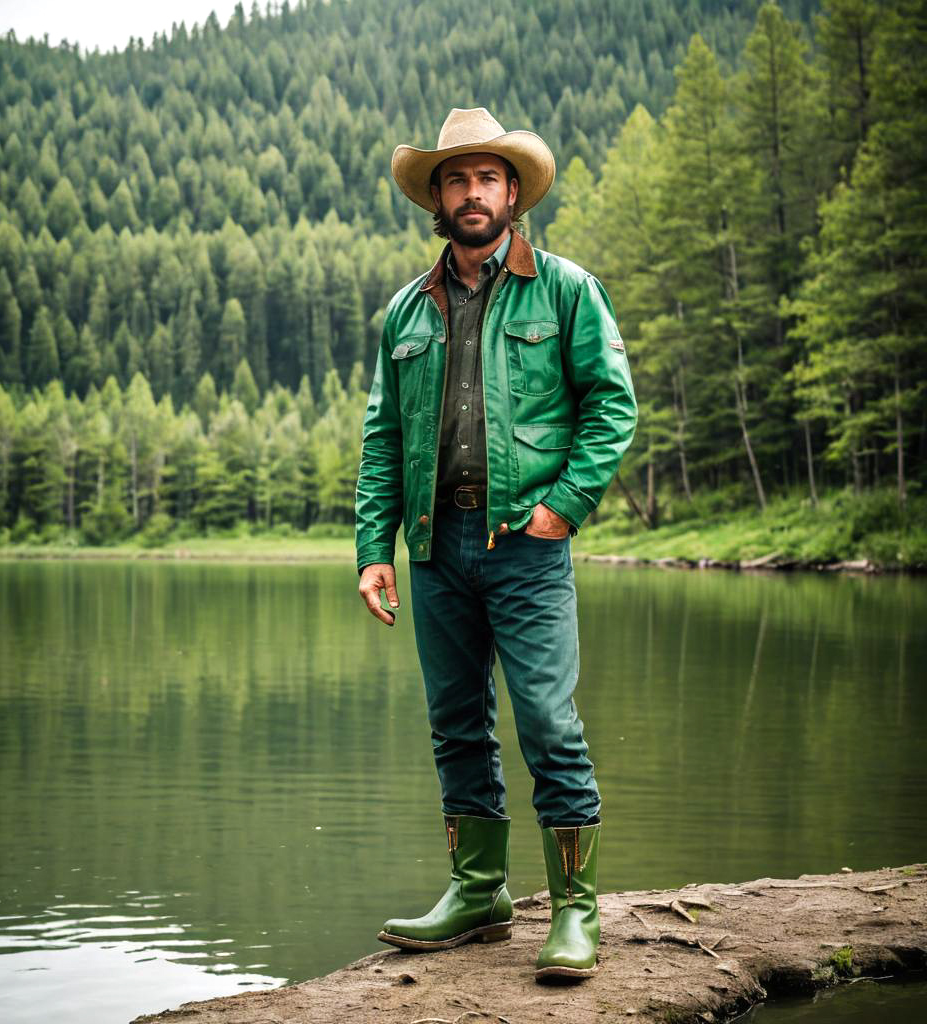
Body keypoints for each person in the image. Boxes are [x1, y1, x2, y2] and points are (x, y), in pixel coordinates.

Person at [354, 106, 637, 982]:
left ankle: (576, 911)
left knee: (549, 723)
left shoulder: (565, 289)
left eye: (486, 178)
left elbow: (612, 406)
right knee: (455, 727)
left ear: (513, 192)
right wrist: (374, 549)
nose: (471, 193)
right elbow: (381, 440)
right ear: (436, 197)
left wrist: (564, 507)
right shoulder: (406, 309)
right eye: (455, 179)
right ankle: (478, 893)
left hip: (526, 544)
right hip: (437, 551)